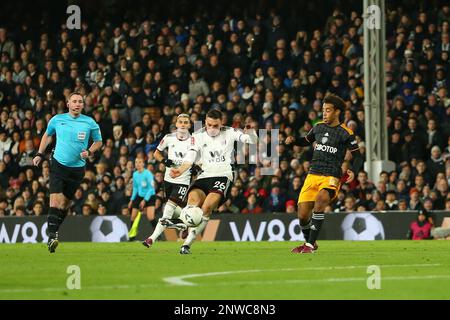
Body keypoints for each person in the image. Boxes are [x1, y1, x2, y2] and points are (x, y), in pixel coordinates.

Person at [170, 109, 258, 254]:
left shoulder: (230, 132)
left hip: (223, 175)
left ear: (221, 123)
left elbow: (252, 141)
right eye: (209, 125)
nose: (212, 129)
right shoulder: (198, 136)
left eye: (215, 126)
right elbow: (190, 156)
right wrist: (180, 170)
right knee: (192, 201)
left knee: (206, 207)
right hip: (204, 176)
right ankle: (187, 222)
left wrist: (251, 132)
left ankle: (187, 244)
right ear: (205, 122)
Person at [286, 93, 363, 253]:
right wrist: (293, 141)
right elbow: (305, 141)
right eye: (323, 110)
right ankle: (310, 243)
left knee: (321, 201)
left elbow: (358, 157)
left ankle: (308, 246)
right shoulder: (318, 127)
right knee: (302, 215)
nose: (324, 113)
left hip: (331, 176)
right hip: (312, 174)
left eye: (328, 110)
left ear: (337, 112)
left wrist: (353, 171)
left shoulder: (346, 133)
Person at [33, 92, 103, 253]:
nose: (77, 104)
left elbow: (99, 141)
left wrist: (90, 152)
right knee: (55, 202)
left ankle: (53, 228)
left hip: (78, 169)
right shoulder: (57, 119)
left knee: (65, 205)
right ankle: (52, 236)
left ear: (83, 105)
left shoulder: (89, 122)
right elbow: (47, 135)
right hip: (58, 165)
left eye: (80, 101)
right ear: (68, 104)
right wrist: (39, 153)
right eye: (74, 101)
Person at [142, 114, 193, 248]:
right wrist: (164, 161)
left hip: (183, 179)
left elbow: (198, 157)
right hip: (168, 178)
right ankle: (184, 224)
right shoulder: (168, 138)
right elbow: (156, 153)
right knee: (173, 208)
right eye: (180, 122)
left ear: (189, 125)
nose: (183, 124)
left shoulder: (193, 141)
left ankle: (151, 239)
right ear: (176, 124)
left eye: (185, 122)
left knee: (168, 210)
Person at [127, 157, 156, 241]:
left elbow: (151, 189)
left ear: (143, 164)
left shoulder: (148, 174)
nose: (138, 164)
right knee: (133, 217)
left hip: (150, 196)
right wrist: (131, 200)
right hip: (140, 196)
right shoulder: (135, 174)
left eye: (140, 162)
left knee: (150, 217)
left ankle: (157, 235)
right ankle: (132, 236)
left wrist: (145, 200)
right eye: (136, 162)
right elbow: (135, 188)